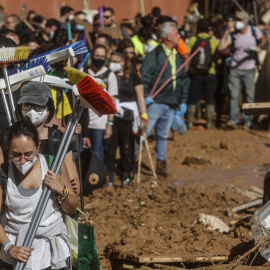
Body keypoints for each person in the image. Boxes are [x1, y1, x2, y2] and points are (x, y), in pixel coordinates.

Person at [0, 118, 77, 269]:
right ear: (8, 149)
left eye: (28, 154)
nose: (22, 161)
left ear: (38, 146)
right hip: (16, 254)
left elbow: (72, 208)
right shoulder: (3, 174)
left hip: (53, 254)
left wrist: (61, 190)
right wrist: (9, 247)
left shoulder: (53, 165)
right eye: (16, 155)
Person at [15, 82, 81, 196]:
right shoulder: (11, 138)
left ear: (48, 109)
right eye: (27, 105)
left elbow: (74, 189)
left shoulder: (58, 139)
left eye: (38, 106)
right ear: (20, 107)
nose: (32, 111)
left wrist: (62, 188)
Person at [141, 21, 188, 175]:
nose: (179, 36)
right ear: (168, 36)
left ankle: (161, 164)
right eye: (176, 33)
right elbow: (145, 77)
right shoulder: (155, 55)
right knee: (145, 134)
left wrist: (182, 100)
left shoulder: (177, 56)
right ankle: (132, 162)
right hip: (155, 102)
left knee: (163, 136)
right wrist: (147, 96)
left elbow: (182, 79)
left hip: (171, 102)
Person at [104, 48, 147, 186]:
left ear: (123, 62)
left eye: (115, 62)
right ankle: (109, 177)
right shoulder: (108, 76)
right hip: (111, 116)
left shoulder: (134, 77)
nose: (112, 64)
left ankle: (126, 175)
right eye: (111, 61)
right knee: (110, 147)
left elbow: (140, 99)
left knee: (126, 147)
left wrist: (144, 116)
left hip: (128, 117)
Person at [218, 11, 267, 129]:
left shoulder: (254, 31)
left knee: (249, 97)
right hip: (235, 69)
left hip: (249, 69)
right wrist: (226, 33)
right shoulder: (233, 34)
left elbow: (264, 39)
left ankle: (247, 122)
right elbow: (221, 47)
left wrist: (259, 47)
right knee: (234, 96)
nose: (237, 22)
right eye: (237, 20)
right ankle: (233, 120)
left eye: (240, 20)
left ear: (246, 21)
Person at [81, 44, 118, 161]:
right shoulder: (82, 72)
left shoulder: (110, 75)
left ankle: (98, 179)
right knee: (81, 155)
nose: (99, 58)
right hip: (82, 123)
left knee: (97, 155)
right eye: (97, 55)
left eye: (102, 56)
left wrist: (110, 125)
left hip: (100, 123)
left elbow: (112, 101)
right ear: (91, 56)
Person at [186, 19, 219, 130]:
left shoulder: (193, 39)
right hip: (211, 73)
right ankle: (209, 123)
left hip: (196, 73)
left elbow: (187, 55)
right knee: (210, 98)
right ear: (209, 29)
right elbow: (218, 58)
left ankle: (190, 122)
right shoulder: (214, 41)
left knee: (193, 97)